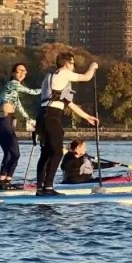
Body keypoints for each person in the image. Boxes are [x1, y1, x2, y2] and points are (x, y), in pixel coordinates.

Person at [35, 52, 99, 196]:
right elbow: (86, 77)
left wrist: (87, 116)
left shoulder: (49, 77)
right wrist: (93, 66)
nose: (73, 66)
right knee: (57, 152)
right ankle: (48, 188)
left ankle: (40, 188)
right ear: (66, 64)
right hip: (52, 118)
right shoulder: (63, 73)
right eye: (72, 63)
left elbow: (68, 103)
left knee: (46, 153)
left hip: (42, 117)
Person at [0, 63, 42, 190]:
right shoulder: (13, 84)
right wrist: (48, 89)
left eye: (24, 72)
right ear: (13, 73)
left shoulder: (12, 90)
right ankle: (5, 181)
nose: (22, 74)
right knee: (15, 153)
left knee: (9, 153)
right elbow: (32, 91)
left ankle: (3, 182)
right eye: (20, 71)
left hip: (1, 122)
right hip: (3, 122)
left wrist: (29, 120)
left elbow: (19, 107)